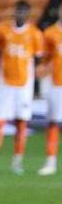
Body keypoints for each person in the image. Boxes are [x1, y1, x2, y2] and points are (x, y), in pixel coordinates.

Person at [0, 0, 46, 175]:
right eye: (18, 11)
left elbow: (37, 59)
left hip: (24, 85)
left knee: (21, 124)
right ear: (14, 12)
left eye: (24, 12)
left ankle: (17, 162)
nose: (20, 14)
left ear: (28, 14)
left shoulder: (35, 34)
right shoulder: (3, 30)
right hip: (5, 85)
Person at [42, 17, 62, 177]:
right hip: (57, 84)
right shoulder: (50, 33)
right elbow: (45, 60)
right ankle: (50, 162)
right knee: (54, 123)